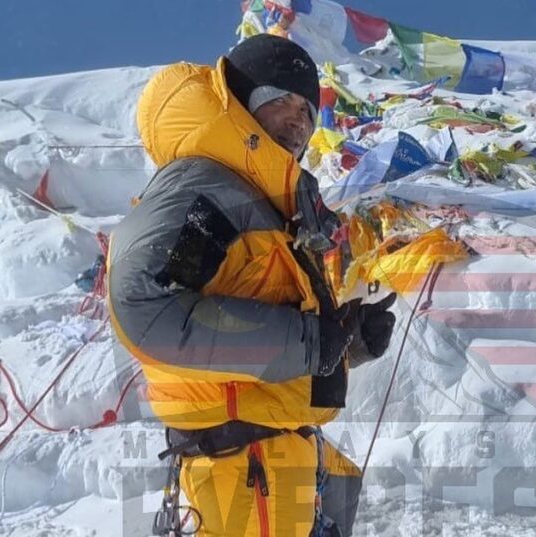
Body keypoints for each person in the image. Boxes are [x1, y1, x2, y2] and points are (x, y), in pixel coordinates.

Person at [107, 34, 397, 537]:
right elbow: (147, 306)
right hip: (246, 470)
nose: (297, 119)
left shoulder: (261, 203)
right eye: (277, 99)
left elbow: (246, 335)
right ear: (239, 100)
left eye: (307, 110)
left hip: (271, 462)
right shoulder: (210, 190)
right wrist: (309, 341)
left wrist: (346, 344)